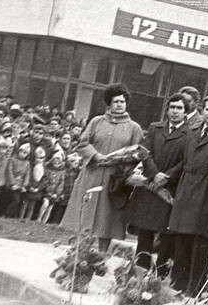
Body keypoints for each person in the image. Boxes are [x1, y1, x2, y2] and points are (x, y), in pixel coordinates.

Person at [61, 83, 145, 252]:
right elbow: (83, 143)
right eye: (116, 102)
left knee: (106, 220)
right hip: (92, 174)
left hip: (114, 180)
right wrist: (96, 156)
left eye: (122, 101)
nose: (120, 105)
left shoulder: (134, 128)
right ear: (109, 103)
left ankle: (101, 256)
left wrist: (119, 161)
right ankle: (78, 255)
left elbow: (137, 153)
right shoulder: (96, 122)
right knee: (85, 217)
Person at [166, 94, 208, 294]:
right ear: (202, 110)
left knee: (200, 243)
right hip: (186, 189)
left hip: (207, 192)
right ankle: (177, 283)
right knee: (181, 239)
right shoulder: (192, 131)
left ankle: (193, 288)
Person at [125, 91, 190, 273]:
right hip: (151, 186)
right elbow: (145, 152)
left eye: (179, 108)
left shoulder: (190, 133)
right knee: (145, 232)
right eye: (172, 107)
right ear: (167, 109)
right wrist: (155, 174)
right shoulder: (155, 127)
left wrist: (167, 177)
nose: (175, 111)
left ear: (186, 112)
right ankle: (140, 272)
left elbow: (185, 161)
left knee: (166, 234)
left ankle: (160, 275)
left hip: (170, 189)